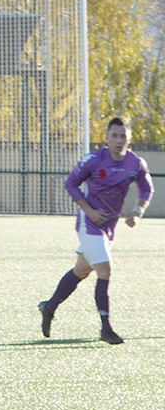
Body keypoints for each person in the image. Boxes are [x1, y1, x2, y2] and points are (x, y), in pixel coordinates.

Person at [38, 116, 152, 344]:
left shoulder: (135, 163)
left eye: (123, 136)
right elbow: (71, 183)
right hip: (88, 223)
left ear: (130, 138)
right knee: (105, 270)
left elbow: (147, 188)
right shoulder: (94, 159)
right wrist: (89, 211)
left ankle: (49, 307)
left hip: (109, 227)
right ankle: (106, 328)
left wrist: (138, 211)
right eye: (114, 136)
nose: (119, 140)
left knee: (81, 270)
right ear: (107, 138)